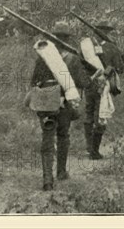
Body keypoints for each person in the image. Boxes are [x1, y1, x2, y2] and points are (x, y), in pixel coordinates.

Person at [30, 22, 85, 191]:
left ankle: (48, 180)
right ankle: (61, 171)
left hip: (47, 102)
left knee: (47, 139)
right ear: (68, 39)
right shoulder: (73, 59)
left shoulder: (43, 57)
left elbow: (34, 82)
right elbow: (82, 83)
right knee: (63, 135)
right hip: (65, 104)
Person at [82, 19, 124, 160]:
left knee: (89, 113)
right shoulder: (112, 47)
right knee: (100, 116)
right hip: (103, 84)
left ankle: (89, 147)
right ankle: (94, 151)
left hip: (89, 83)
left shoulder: (86, 46)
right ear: (108, 32)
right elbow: (120, 67)